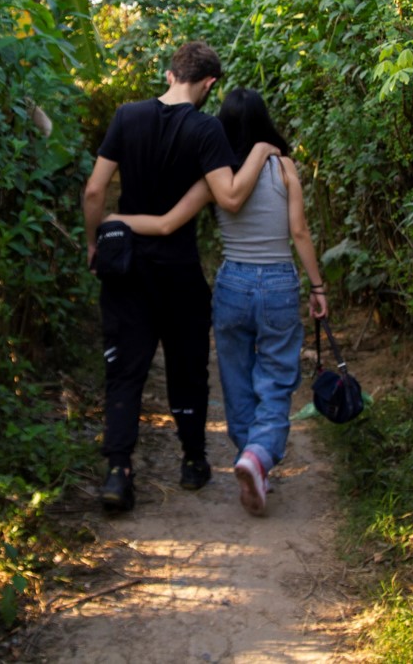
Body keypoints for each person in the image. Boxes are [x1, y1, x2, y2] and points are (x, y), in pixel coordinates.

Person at [110, 88, 328, 516]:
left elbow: (168, 222)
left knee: (236, 379)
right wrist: (318, 287)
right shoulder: (284, 167)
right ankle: (260, 456)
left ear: (223, 126)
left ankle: (250, 454)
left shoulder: (215, 176)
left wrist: (114, 220)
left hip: (232, 285)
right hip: (280, 282)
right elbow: (300, 232)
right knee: (278, 377)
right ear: (265, 122)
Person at [83, 42, 279, 513]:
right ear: (209, 83)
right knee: (186, 366)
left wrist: (94, 243)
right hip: (178, 269)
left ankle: (118, 471)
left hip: (126, 266)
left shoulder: (127, 116)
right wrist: (260, 151)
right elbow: (228, 198)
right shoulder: (206, 128)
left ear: (171, 74)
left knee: (125, 369)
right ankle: (193, 462)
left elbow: (94, 189)